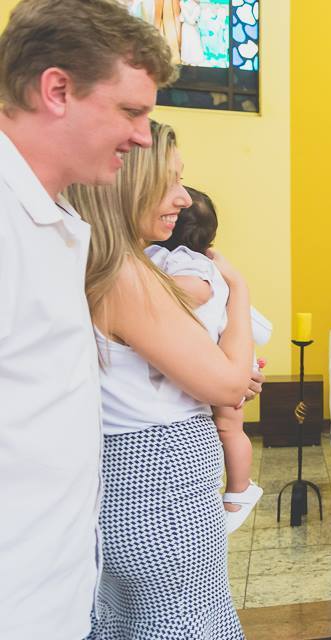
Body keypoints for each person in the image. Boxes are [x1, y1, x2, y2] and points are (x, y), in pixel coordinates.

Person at [0, 1, 176, 637]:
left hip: (56, 587)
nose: (142, 137)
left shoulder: (56, 218)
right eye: (131, 111)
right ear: (57, 90)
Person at [66, 121, 256, 638]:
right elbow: (228, 386)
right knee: (184, 626)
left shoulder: (107, 266)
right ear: (128, 184)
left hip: (141, 486)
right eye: (169, 182)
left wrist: (220, 369)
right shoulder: (126, 276)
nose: (180, 199)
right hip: (160, 492)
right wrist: (237, 289)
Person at [149, 186, 270, 533]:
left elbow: (197, 289)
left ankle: (240, 489)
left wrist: (144, 291)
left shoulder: (187, 261)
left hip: (221, 356)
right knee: (226, 426)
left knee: (230, 427)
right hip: (209, 356)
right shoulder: (159, 255)